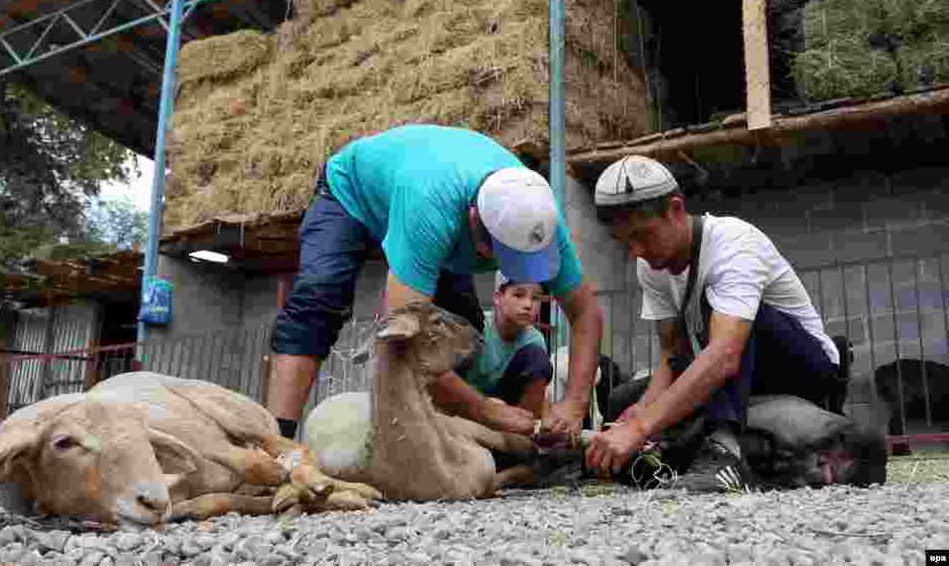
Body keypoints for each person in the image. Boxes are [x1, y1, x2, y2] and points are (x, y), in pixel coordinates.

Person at [266, 124, 604, 441]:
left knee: (464, 330)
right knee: (320, 296)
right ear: (473, 220)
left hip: (432, 202)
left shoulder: (539, 220)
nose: (509, 266)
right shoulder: (432, 207)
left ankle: (449, 435)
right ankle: (278, 442)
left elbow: (585, 312)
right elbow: (405, 339)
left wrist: (574, 406)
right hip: (352, 193)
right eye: (500, 254)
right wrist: (483, 410)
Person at [585, 155, 842, 492]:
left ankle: (726, 452)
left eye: (642, 235)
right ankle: (658, 461)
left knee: (726, 332)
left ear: (676, 209)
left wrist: (641, 428)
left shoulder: (733, 243)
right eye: (625, 241)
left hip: (805, 368)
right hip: (736, 370)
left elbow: (723, 354)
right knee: (622, 400)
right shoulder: (651, 266)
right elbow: (671, 357)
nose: (636, 250)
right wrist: (637, 415)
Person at [454, 271, 553, 417]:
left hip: (509, 409)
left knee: (537, 357)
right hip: (467, 404)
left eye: (535, 298)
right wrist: (485, 404)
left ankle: (523, 429)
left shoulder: (535, 340)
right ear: (498, 298)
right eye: (518, 295)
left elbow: (539, 393)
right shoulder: (478, 326)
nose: (528, 305)